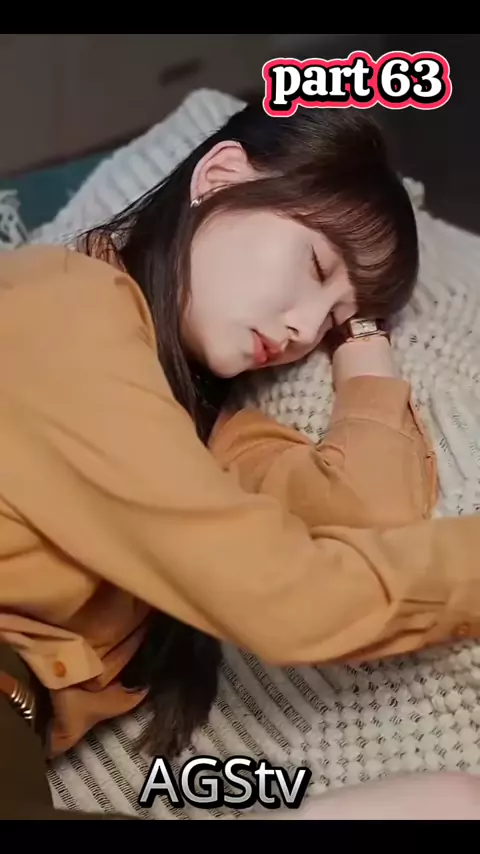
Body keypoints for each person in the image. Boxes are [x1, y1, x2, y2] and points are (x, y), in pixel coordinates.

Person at [0, 100, 479, 821]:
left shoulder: (199, 430)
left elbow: (368, 514)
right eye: (314, 264)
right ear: (220, 177)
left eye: (329, 319)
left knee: (452, 805)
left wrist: (362, 335)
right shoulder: (65, 308)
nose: (302, 329)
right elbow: (287, 598)